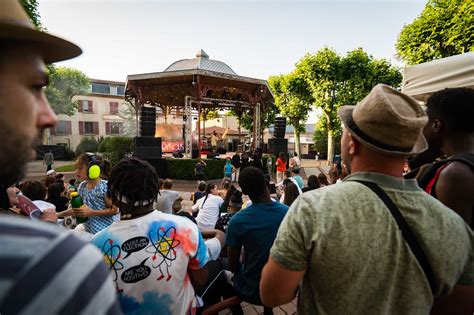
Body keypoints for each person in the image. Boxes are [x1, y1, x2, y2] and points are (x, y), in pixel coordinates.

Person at [259, 84, 473, 314]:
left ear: (352, 143)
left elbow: (273, 294)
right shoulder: (454, 225)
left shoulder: (313, 208)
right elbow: (458, 305)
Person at [0, 1, 121, 313]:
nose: (50, 116)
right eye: (35, 86)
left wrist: (72, 218)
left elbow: (111, 210)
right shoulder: (60, 265)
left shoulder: (63, 257)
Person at [91, 158, 208, 314]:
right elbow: (200, 279)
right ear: (155, 190)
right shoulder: (185, 228)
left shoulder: (96, 245)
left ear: (114, 197)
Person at [226, 167, 288, 312]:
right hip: (284, 285)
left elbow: (233, 266)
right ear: (266, 183)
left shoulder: (238, 221)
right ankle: (268, 310)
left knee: (221, 272)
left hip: (252, 290)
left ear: (245, 192)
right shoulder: (289, 211)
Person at [416, 88, 474, 228]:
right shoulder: (458, 167)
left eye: (425, 123)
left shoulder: (455, 173)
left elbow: (453, 240)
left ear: (436, 125)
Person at [71, 153, 119, 234]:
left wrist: (91, 212)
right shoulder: (82, 186)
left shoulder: (103, 187)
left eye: (80, 168)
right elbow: (79, 210)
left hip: (106, 233)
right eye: (76, 168)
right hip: (90, 232)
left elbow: (114, 210)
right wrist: (58, 214)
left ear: (93, 169)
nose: (76, 171)